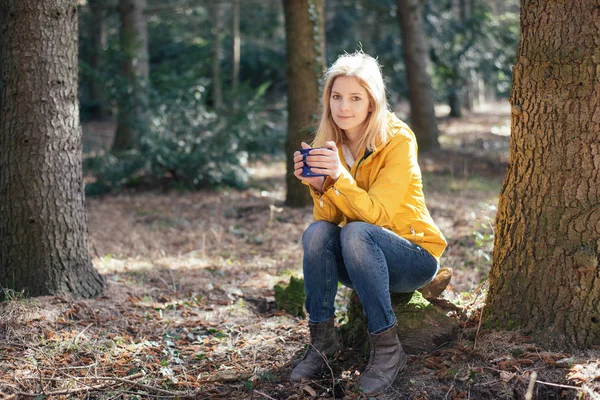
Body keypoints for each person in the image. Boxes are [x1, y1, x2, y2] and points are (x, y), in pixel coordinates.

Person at [290, 51, 447, 395]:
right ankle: (322, 342)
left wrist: (338, 176)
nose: (343, 107)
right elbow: (329, 223)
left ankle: (389, 352)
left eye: (355, 98)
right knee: (317, 233)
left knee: (359, 231)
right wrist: (320, 187)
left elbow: (377, 214)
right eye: (337, 97)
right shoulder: (328, 143)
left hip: (412, 256)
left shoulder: (397, 139)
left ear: (372, 102)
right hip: (361, 259)